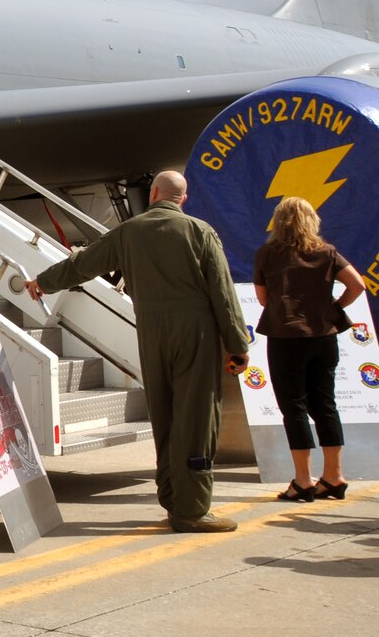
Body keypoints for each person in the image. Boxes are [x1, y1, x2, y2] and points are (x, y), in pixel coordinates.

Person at [24, 171, 250, 533]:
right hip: (196, 331)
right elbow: (222, 293)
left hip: (151, 330)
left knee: (164, 415)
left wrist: (43, 282)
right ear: (183, 199)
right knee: (197, 417)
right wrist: (237, 344)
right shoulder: (200, 231)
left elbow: (83, 264)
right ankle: (192, 510)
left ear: (154, 194)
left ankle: (173, 498)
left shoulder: (129, 232)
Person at [253, 195, 365, 501]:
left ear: (279, 222)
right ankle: (334, 476)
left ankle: (303, 480)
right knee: (325, 405)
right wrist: (333, 307)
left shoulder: (267, 254)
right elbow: (357, 285)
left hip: (286, 337)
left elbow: (264, 300)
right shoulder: (327, 252)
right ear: (311, 220)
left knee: (294, 408)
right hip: (323, 337)